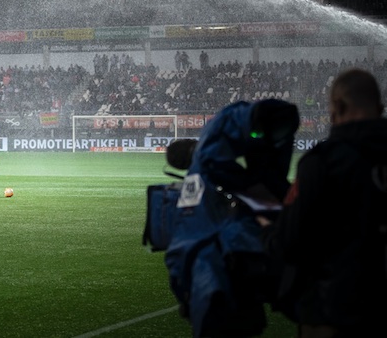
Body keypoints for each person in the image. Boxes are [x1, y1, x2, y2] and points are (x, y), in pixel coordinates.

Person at [258, 68, 387, 337]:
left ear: (337, 107)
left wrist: (266, 228)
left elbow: (290, 243)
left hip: (335, 309)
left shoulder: (324, 162)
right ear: (380, 107)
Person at [164, 98, 300, 338]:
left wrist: (183, 295)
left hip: (217, 295)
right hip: (222, 294)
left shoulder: (207, 186)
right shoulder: (216, 175)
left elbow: (180, 252)